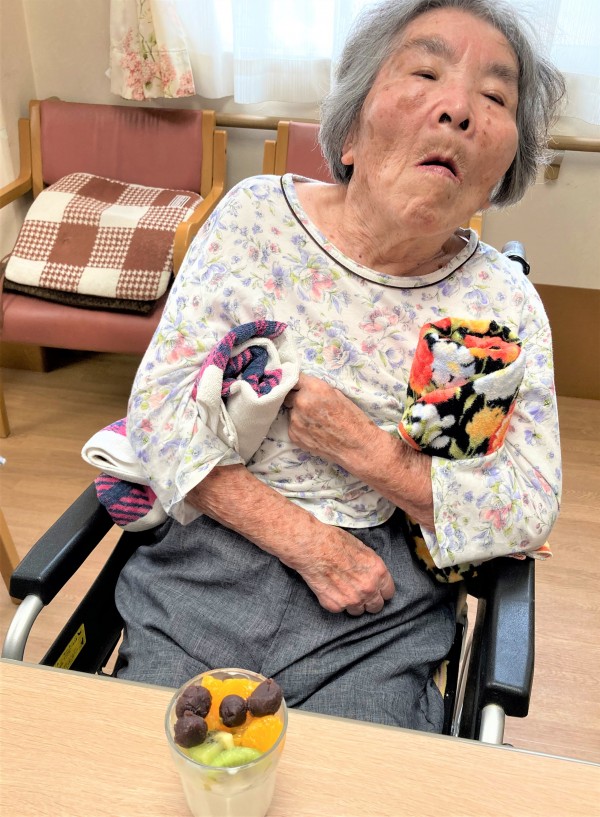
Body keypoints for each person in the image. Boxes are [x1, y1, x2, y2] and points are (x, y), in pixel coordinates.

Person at [114, 0, 565, 733]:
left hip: (383, 602)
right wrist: (307, 542)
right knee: (155, 762)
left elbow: (526, 504)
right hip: (214, 548)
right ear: (350, 132)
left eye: (494, 96)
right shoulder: (254, 219)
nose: (458, 109)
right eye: (425, 73)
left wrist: (367, 452)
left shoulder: (501, 302)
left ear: (499, 176)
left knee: (358, 780)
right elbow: (159, 410)